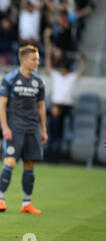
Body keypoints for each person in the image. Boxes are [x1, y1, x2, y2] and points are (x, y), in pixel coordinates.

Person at [0, 45, 47, 215]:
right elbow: (1, 104)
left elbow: (41, 107)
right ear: (24, 60)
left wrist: (44, 129)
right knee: (9, 162)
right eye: (34, 59)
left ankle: (26, 203)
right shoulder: (10, 79)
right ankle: (0, 200)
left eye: (37, 59)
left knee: (29, 164)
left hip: (32, 129)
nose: (37, 62)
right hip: (15, 128)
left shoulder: (38, 81)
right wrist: (5, 127)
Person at [43, 27, 87, 163]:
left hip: (65, 106)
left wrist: (83, 61)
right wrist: (48, 51)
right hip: (56, 105)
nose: (61, 70)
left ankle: (55, 156)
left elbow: (81, 71)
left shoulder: (71, 77)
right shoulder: (57, 76)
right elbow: (48, 66)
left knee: (59, 132)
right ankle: (49, 155)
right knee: (52, 131)